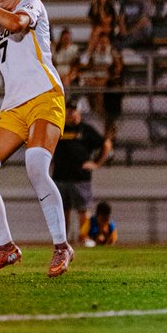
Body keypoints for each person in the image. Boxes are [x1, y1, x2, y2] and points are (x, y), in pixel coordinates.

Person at [0, 0, 73, 278]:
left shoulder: (32, 6)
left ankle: (61, 246)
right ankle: (5, 247)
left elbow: (16, 23)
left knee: (36, 166)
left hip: (45, 97)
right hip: (13, 107)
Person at [52, 100, 112, 244]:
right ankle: (62, 241)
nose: (70, 113)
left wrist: (97, 163)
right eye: (68, 110)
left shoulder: (86, 130)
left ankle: (84, 237)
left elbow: (106, 143)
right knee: (61, 210)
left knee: (83, 210)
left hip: (80, 178)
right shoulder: (59, 129)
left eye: (73, 110)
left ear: (79, 112)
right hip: (60, 176)